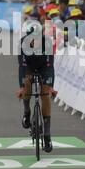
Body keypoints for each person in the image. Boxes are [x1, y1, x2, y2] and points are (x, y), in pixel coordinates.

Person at [17, 25, 56, 153]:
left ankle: (47, 136)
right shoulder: (23, 44)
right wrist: (22, 87)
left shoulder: (48, 43)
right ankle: (27, 111)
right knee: (27, 84)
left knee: (45, 95)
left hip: (44, 68)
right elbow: (22, 67)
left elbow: (50, 66)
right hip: (28, 67)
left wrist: (50, 86)